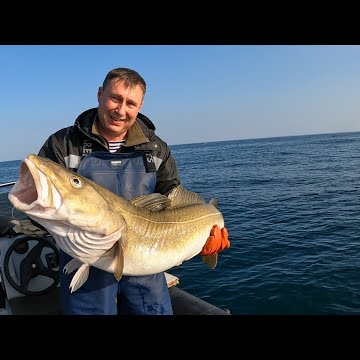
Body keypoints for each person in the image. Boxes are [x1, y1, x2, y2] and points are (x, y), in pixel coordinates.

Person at [37, 67, 230, 315]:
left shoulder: (157, 148)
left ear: (140, 106)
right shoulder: (63, 143)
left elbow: (173, 196)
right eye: (115, 98)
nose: (121, 110)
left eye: (131, 103)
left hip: (145, 270)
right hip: (84, 264)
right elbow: (42, 199)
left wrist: (205, 239)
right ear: (99, 94)